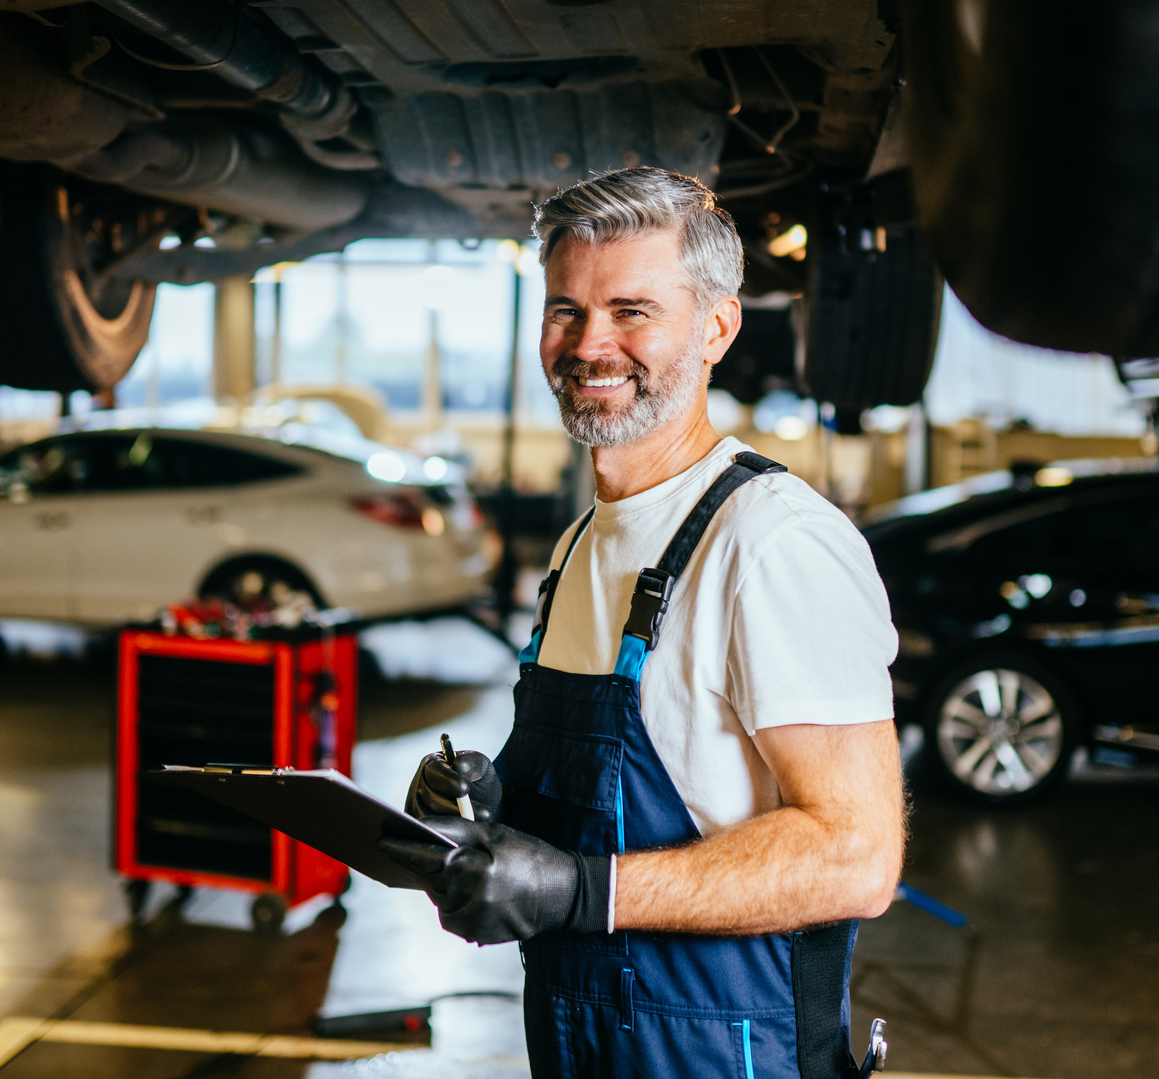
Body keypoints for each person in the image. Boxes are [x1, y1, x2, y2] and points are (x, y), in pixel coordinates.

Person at [380, 167, 904, 1079]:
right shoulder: (580, 543)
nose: (590, 344)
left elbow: (855, 855)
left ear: (717, 328)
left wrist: (580, 889)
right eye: (566, 310)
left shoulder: (772, 541)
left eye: (632, 311)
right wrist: (486, 806)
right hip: (579, 1046)